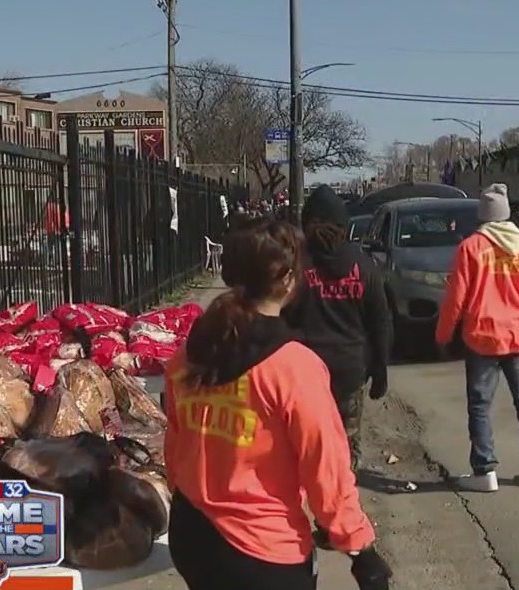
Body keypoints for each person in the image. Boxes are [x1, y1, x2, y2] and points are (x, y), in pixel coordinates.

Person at [163, 218, 391, 590]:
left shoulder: (190, 355)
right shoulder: (293, 368)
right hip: (263, 551)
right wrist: (359, 549)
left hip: (192, 532)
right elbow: (326, 470)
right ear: (288, 280)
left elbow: (176, 448)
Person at [435, 183, 519, 492]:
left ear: (482, 216)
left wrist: (444, 335)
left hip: (483, 337)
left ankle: (485, 471)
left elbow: (455, 298)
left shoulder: (471, 248)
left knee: (481, 406)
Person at [284, 184, 393, 473]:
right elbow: (380, 322)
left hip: (304, 373)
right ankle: (340, 503)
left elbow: (279, 318)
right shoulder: (363, 265)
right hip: (350, 369)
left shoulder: (294, 266)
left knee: (305, 445)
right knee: (345, 446)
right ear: (343, 225)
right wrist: (380, 369)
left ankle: (310, 499)